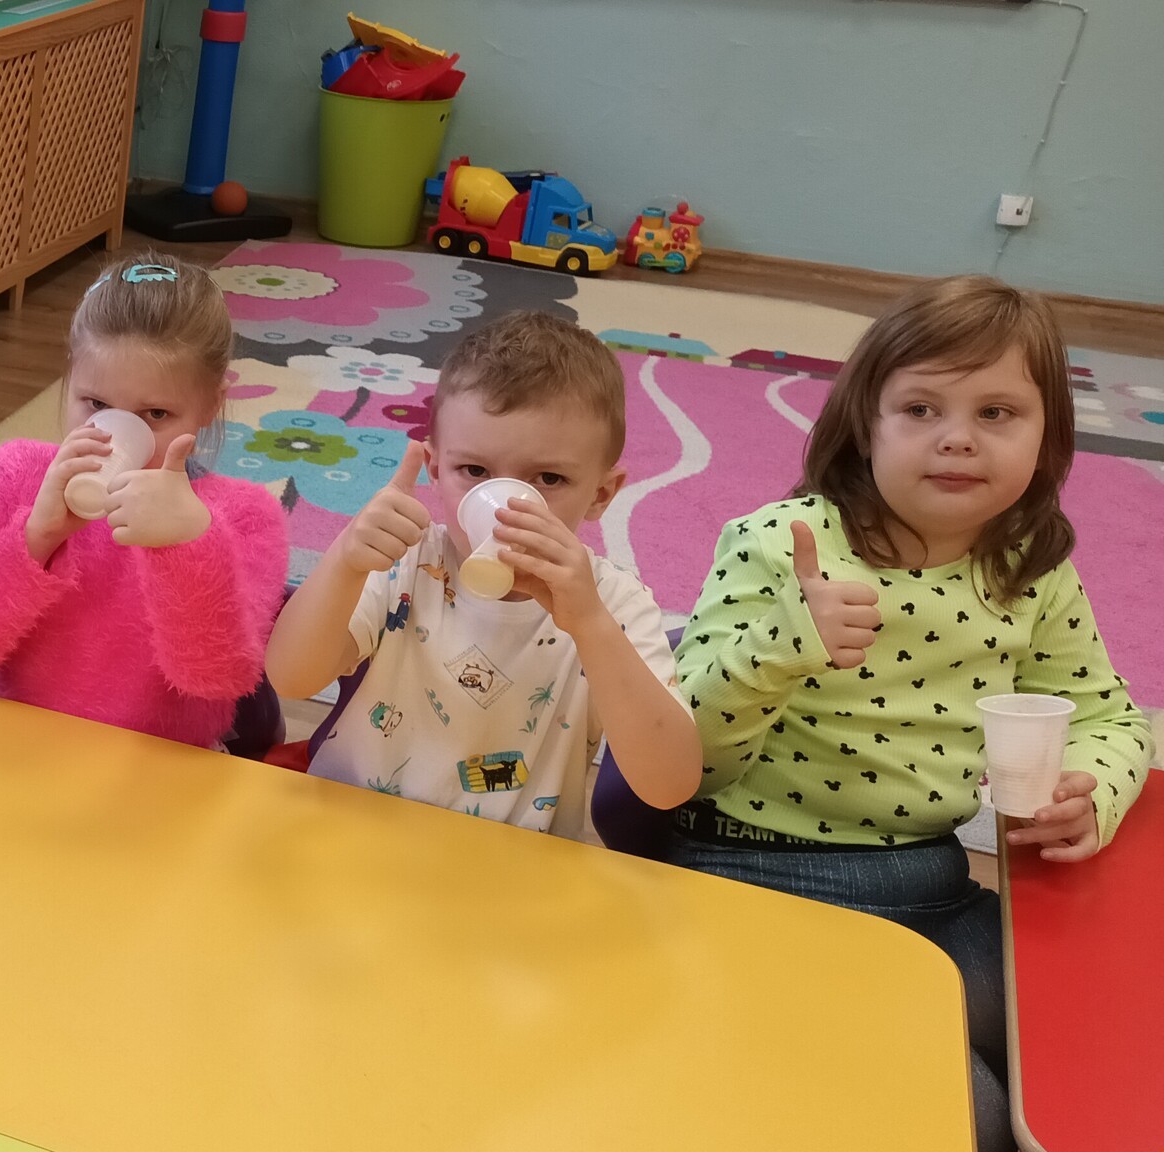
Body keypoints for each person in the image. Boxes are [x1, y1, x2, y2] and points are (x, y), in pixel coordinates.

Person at [673, 276, 1150, 1152]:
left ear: (1048, 438)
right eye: (921, 408)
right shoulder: (777, 543)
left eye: (997, 413)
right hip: (751, 877)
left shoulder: (1030, 569)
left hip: (930, 882)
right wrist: (782, 646)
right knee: (973, 1119)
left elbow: (1110, 720)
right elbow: (681, 756)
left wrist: (1092, 788)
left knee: (1094, 1052)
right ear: (867, 426)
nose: (958, 438)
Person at [266, 310, 699, 836]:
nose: (504, 509)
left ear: (601, 493)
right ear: (435, 468)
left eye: (549, 478)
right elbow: (291, 678)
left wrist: (591, 624)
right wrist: (344, 562)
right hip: (350, 828)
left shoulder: (613, 604)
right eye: (474, 471)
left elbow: (668, 786)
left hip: (508, 861)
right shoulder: (405, 559)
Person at [0, 252, 286, 748]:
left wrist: (187, 545)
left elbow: (217, 680)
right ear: (70, 378)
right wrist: (36, 537)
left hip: (159, 769)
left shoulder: (244, 516)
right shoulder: (12, 475)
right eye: (96, 404)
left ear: (209, 406)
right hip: (19, 751)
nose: (116, 434)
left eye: (156, 414)